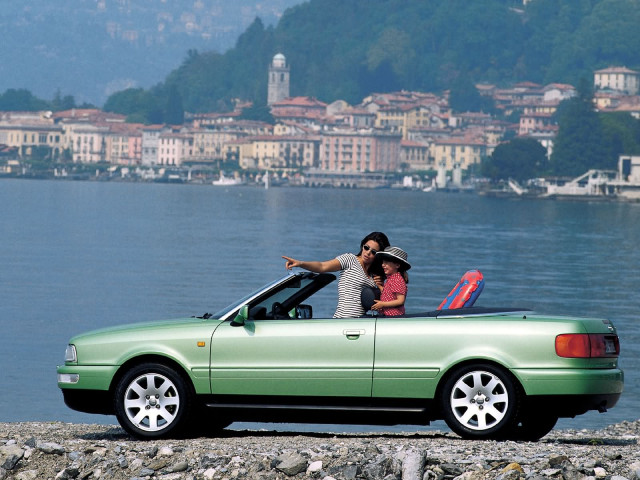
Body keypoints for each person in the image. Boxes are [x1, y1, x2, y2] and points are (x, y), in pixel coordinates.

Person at [282, 231, 390, 318]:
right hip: (342, 321)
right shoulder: (350, 259)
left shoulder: (375, 275)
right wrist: (300, 263)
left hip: (361, 324)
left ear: (379, 255)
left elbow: (382, 303)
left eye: (373, 252)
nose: (367, 253)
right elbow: (322, 266)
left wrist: (380, 287)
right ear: (362, 245)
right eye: (366, 247)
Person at [371, 246, 410, 316]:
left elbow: (400, 300)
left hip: (394, 317)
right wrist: (380, 287)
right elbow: (390, 295)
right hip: (388, 316)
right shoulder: (391, 278)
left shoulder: (397, 279)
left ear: (397, 265)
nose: (383, 265)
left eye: (386, 262)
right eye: (383, 262)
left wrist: (382, 304)